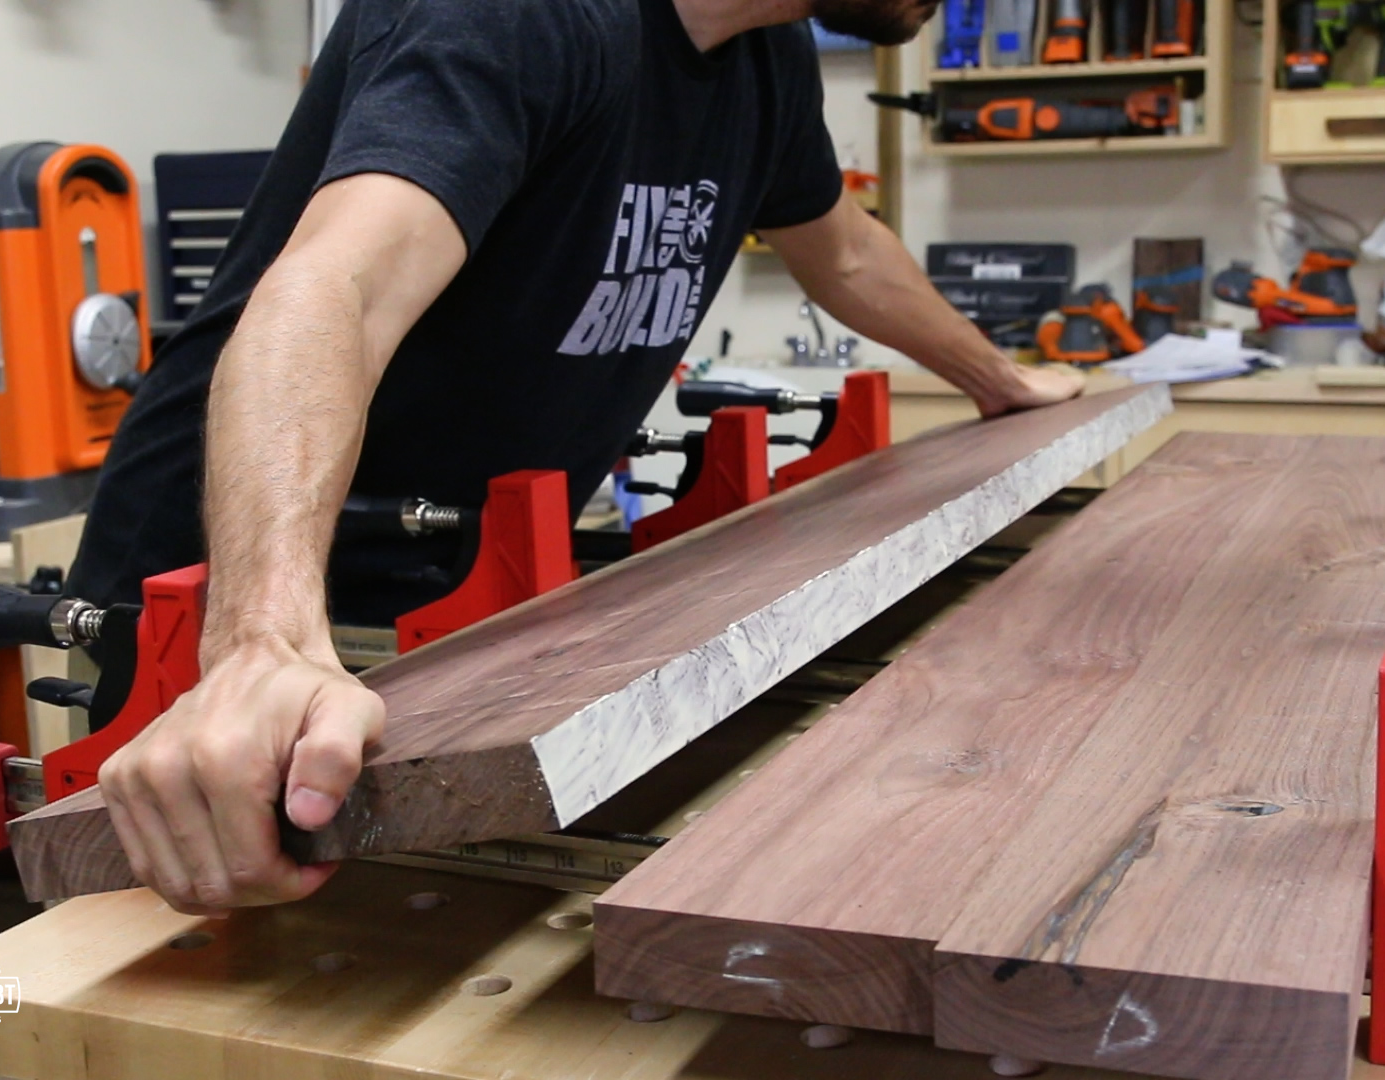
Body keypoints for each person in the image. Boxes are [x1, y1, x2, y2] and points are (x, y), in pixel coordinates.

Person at [71, 0, 1084, 916]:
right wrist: (259, 640)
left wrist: (999, 378)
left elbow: (847, 252)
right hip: (226, 603)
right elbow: (338, 285)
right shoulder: (523, 15)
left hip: (460, 603)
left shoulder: (765, 55)